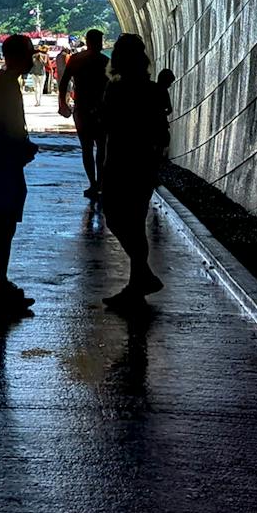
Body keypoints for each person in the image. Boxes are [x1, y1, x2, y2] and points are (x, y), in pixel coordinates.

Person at [99, 34, 168, 309]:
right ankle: (138, 281)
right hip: (144, 163)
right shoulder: (152, 90)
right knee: (136, 221)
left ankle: (141, 276)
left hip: (120, 162)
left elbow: (105, 124)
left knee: (115, 217)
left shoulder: (114, 90)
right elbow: (161, 132)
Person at [0, 33, 39, 313]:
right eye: (28, 53)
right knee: (3, 222)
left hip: (1, 162)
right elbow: (5, 125)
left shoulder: (3, 82)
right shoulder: (7, 85)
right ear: (17, 56)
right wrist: (22, 146)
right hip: (5, 164)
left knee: (3, 222)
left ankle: (1, 282)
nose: (32, 57)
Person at [59, 29, 110, 200]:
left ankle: (93, 183)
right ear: (100, 42)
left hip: (82, 109)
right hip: (102, 110)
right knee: (102, 147)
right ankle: (101, 183)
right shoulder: (106, 61)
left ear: (87, 42)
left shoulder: (76, 60)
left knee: (86, 148)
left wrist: (63, 102)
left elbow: (64, 81)